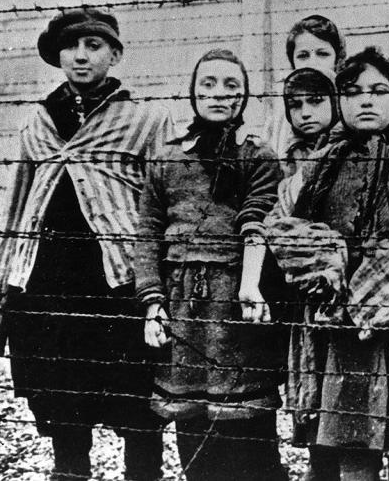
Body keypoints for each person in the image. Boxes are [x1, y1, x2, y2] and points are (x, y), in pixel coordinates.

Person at [266, 46, 389, 481]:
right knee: (351, 447)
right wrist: (326, 259)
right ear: (340, 101)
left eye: (379, 90)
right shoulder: (316, 167)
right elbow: (280, 226)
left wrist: (381, 277)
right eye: (354, 92)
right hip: (336, 330)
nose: (367, 100)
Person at [0, 7, 171, 481]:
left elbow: (163, 203)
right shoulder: (38, 122)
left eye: (93, 46)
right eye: (71, 47)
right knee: (63, 406)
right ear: (58, 57)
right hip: (50, 282)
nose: (81, 55)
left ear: (114, 54)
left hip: (117, 284)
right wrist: (2, 288)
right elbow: (16, 207)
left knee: (137, 407)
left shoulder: (144, 119)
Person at [134, 48, 287, 481]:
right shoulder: (166, 158)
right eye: (208, 85)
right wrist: (152, 302)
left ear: (244, 96)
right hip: (182, 308)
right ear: (193, 93)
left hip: (237, 305)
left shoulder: (258, 155)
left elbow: (261, 221)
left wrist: (250, 287)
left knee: (250, 438)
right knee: (194, 433)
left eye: (230, 86)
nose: (218, 95)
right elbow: (147, 232)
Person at [265, 14, 346, 175]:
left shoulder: (349, 109)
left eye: (322, 54)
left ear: (337, 59)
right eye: (303, 56)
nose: (312, 62)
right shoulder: (281, 118)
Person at [280, 67, 338, 177]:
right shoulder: (289, 156)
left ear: (335, 103)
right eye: (295, 105)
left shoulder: (350, 150)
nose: (305, 113)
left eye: (316, 101)